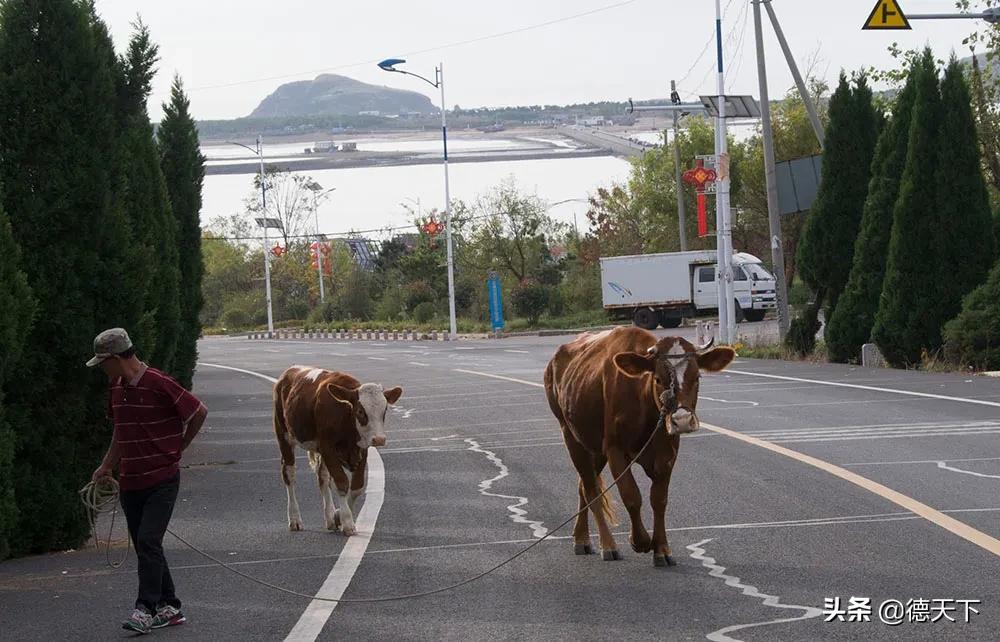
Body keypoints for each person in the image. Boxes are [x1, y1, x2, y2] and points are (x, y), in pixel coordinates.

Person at [88, 328, 207, 634]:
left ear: (116, 358)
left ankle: (145, 609)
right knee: (146, 546)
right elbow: (120, 431)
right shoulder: (116, 388)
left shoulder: (159, 383)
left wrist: (178, 448)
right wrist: (105, 465)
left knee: (148, 540)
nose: (102, 369)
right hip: (130, 481)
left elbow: (198, 412)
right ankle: (170, 606)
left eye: (103, 362)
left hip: (162, 479)